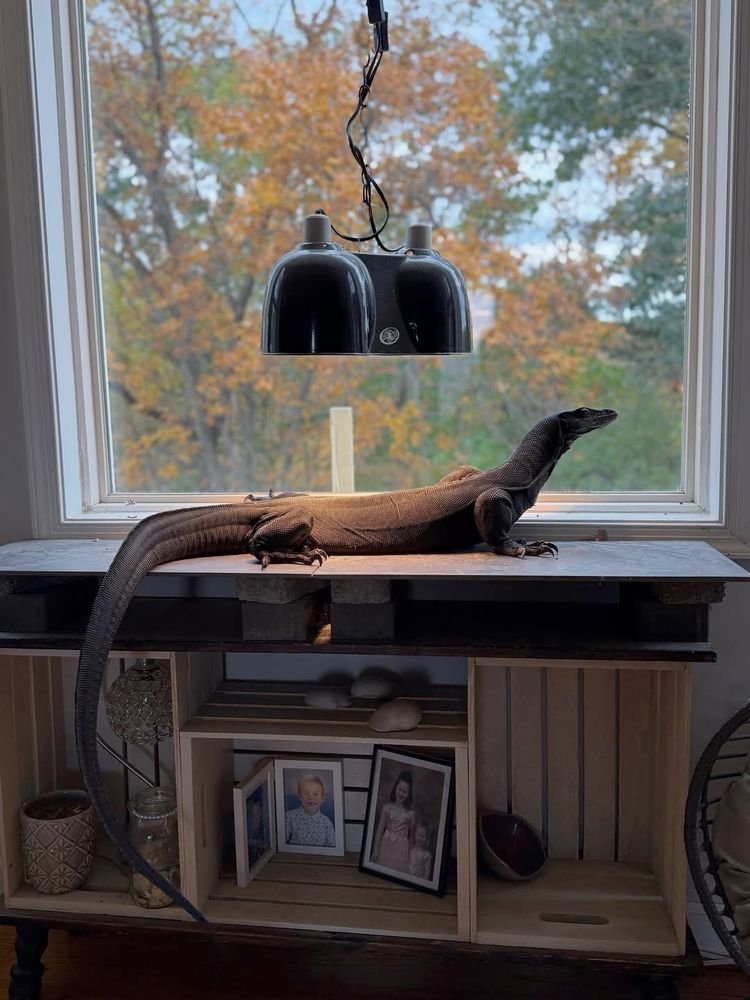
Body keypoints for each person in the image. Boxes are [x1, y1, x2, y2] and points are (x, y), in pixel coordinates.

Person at [372, 770, 414, 873]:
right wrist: (375, 848)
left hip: (401, 849)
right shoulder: (387, 808)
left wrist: (411, 857)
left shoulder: (410, 814)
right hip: (386, 845)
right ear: (395, 787)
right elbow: (380, 830)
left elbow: (411, 837)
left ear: (408, 794)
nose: (401, 793)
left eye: (405, 792)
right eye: (400, 789)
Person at [284, 774, 336, 848]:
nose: (311, 797)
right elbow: (282, 843)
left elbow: (332, 846)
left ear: (323, 798)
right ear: (299, 796)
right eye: (306, 793)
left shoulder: (326, 823)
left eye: (315, 794)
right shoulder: (289, 817)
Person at [247, 796, 266, 867]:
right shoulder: (246, 835)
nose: (256, 817)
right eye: (253, 814)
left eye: (258, 812)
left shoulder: (266, 832)